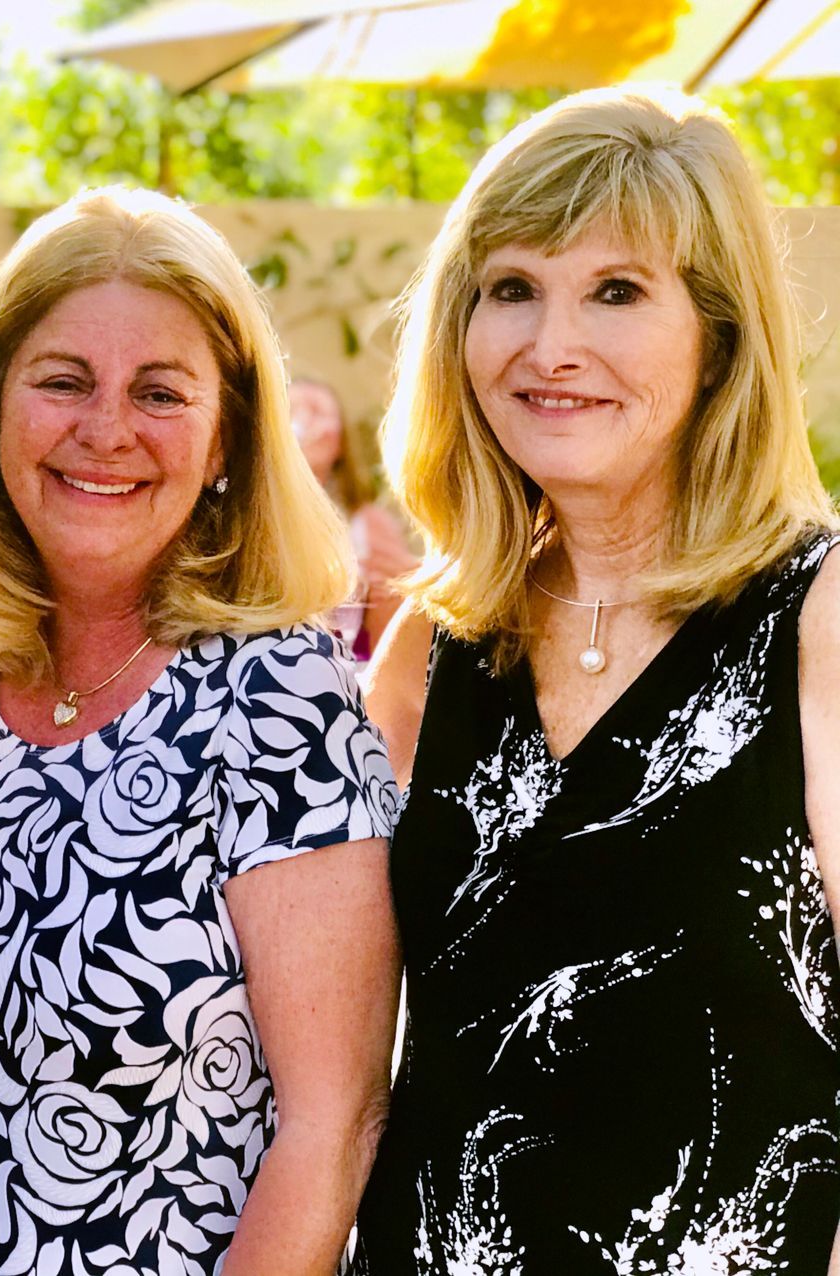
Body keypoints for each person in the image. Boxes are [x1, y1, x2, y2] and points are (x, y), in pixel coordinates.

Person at [0, 186, 403, 1274]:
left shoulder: (280, 700)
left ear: (227, 435)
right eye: (62, 381)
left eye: (160, 392)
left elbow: (335, 1127)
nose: (106, 430)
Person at [352, 87, 840, 1272]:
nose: (549, 346)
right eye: (512, 287)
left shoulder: (820, 615)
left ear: (719, 335)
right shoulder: (431, 643)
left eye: (617, 291)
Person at [290, 377, 419, 659]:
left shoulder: (367, 525)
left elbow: (400, 607)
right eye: (292, 411)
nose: (303, 421)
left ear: (338, 443)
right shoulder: (252, 518)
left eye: (317, 411)